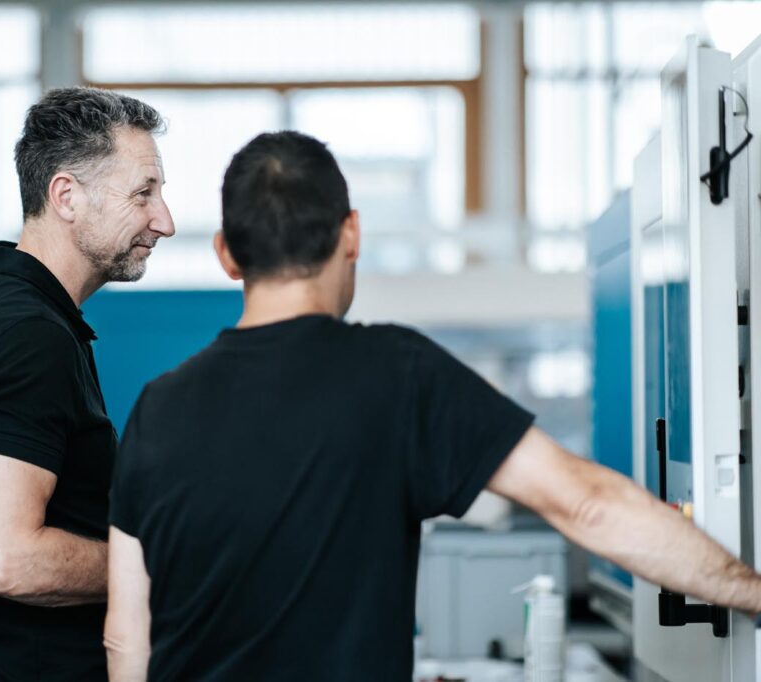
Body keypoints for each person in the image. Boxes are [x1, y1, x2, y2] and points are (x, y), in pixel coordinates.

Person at [104, 131, 761, 681]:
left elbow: (127, 635)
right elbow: (584, 502)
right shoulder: (397, 373)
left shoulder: (154, 410)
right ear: (351, 233)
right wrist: (751, 590)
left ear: (226, 253)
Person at [0, 87, 174, 681]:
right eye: (143, 194)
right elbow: (3, 560)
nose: (165, 221)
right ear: (66, 196)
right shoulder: (26, 336)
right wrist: (151, 565)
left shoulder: (7, 314)